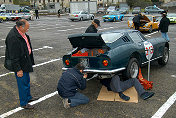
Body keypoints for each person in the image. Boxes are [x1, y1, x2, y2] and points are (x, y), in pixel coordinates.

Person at [4, 19, 38, 109]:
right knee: (22, 84)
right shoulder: (13, 37)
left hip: (25, 61)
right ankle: (24, 103)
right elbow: (13, 56)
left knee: (26, 81)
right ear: (20, 27)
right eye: (26, 28)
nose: (28, 30)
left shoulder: (21, 33)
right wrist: (18, 69)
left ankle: (28, 97)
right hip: (20, 64)